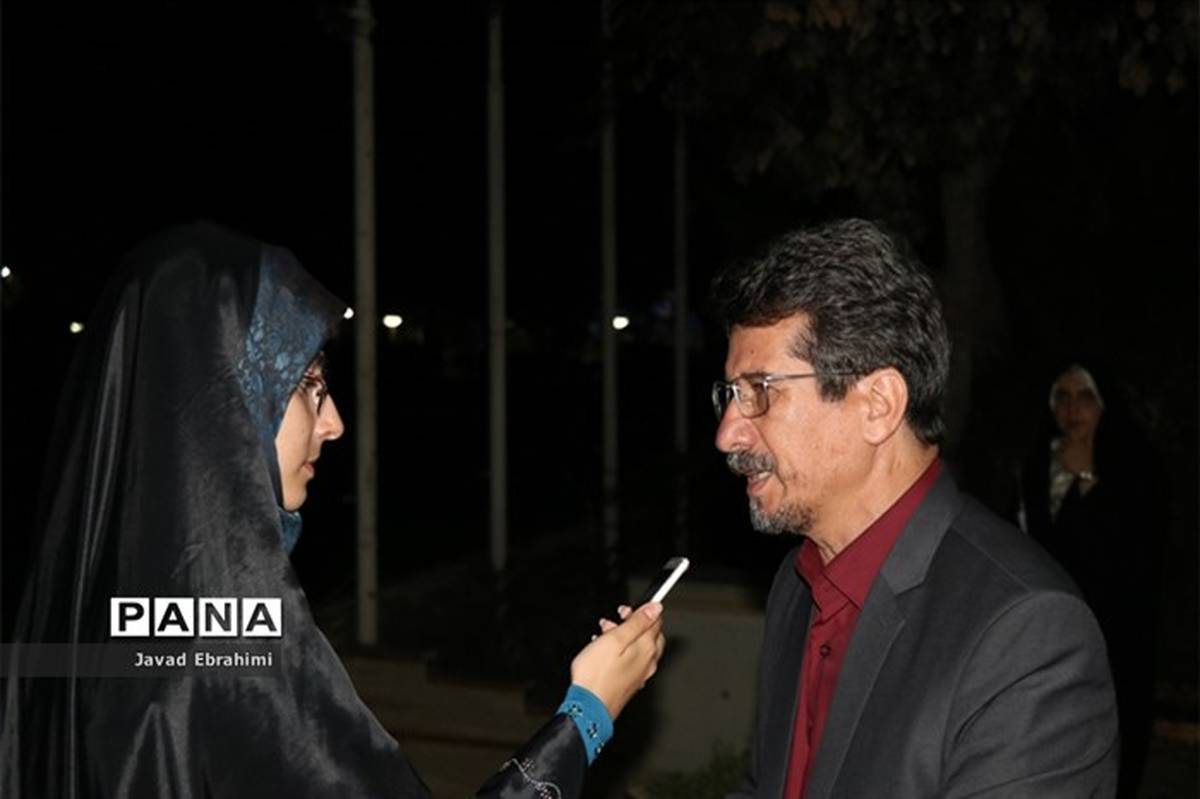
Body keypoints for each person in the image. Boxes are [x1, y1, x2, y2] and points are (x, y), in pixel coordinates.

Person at [0, 221, 665, 798]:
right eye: (307, 384)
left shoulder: (84, 613)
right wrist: (587, 716)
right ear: (226, 402)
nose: (335, 422)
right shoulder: (233, 636)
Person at [710, 219, 1118, 798]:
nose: (728, 433)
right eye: (730, 394)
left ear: (878, 404)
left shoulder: (1027, 634)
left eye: (761, 392)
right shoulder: (798, 586)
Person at [1019, 363, 1163, 797]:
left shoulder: (1133, 467)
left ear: (1103, 406)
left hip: (1117, 634)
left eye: (1084, 397)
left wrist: (1088, 482)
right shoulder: (1037, 464)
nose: (1072, 409)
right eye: (1062, 397)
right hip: (1046, 632)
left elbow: (1134, 555)